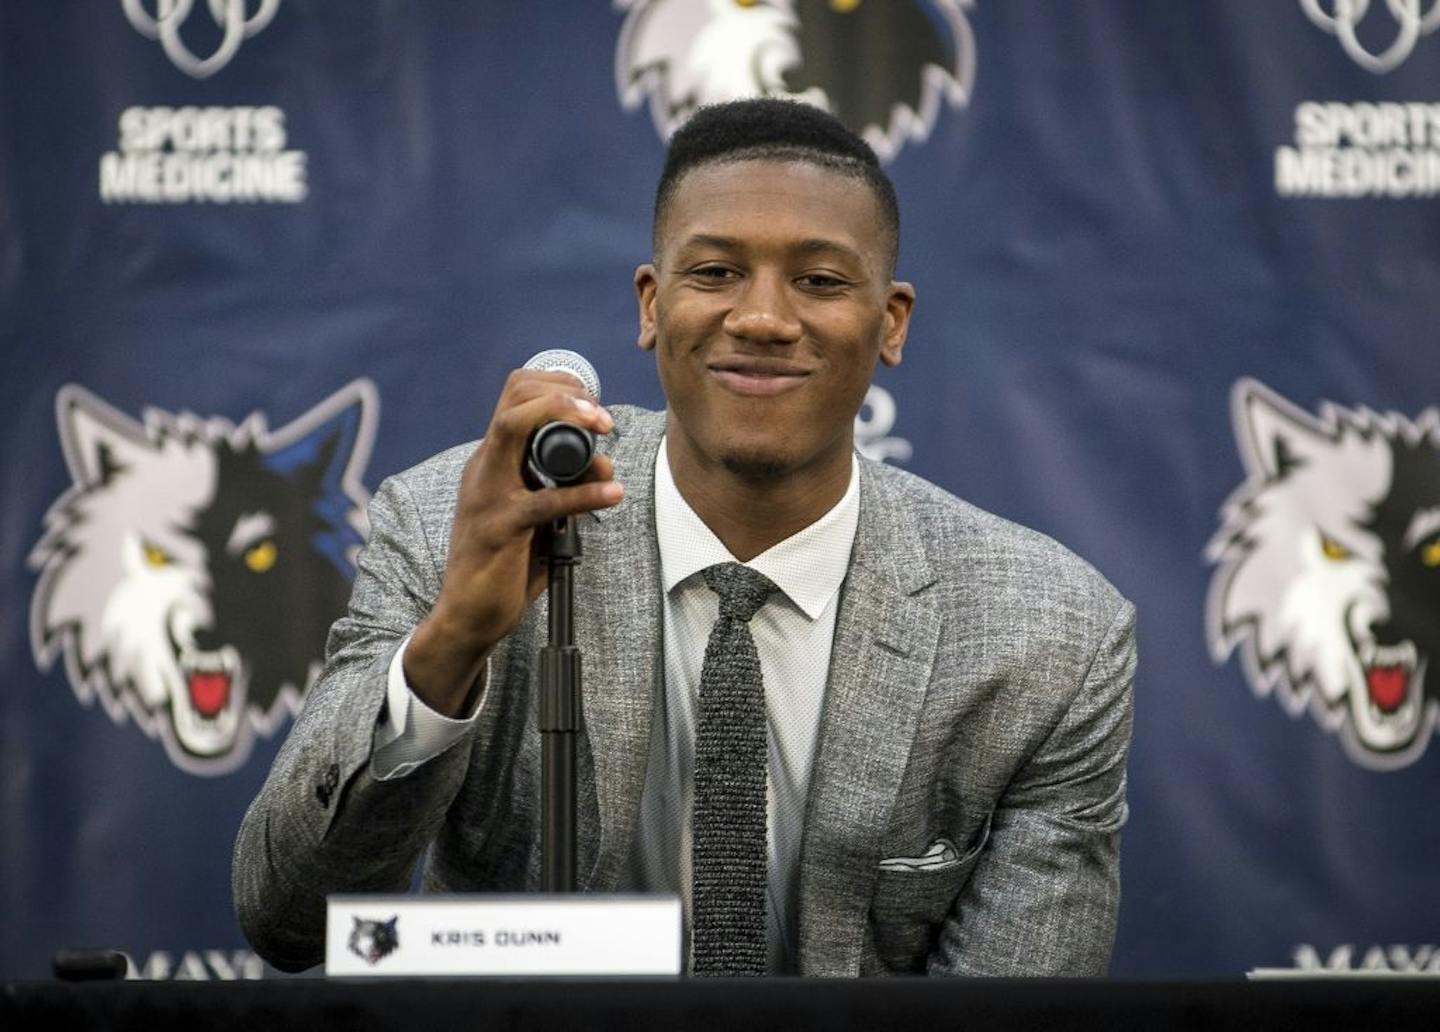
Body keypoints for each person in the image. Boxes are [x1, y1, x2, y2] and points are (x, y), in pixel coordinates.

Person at [233, 98, 1136, 977]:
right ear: (651, 305)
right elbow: (286, 918)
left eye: (819, 281)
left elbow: (1017, 1010)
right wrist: (453, 641)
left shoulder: (1050, 637)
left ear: (890, 321)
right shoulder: (453, 528)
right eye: (715, 274)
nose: (763, 319)